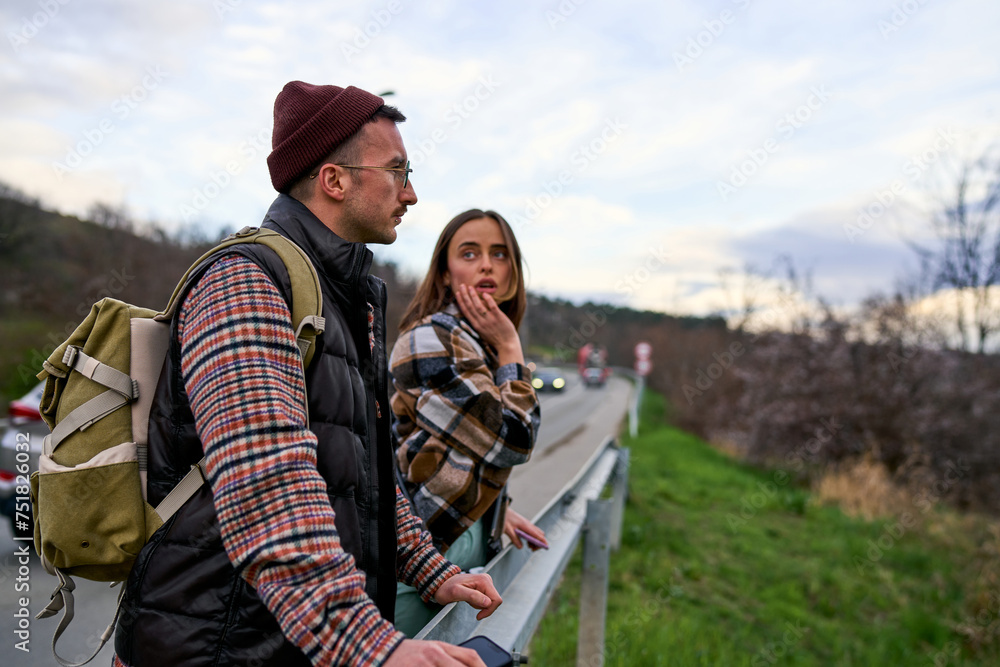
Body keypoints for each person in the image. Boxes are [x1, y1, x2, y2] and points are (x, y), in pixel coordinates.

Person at [113, 82, 501, 667]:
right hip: (210, 650)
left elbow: (365, 473)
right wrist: (370, 648)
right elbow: (265, 486)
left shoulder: (348, 298)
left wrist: (429, 570)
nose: (412, 193)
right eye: (398, 171)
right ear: (335, 180)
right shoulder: (245, 283)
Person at [389, 209, 549, 636]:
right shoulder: (430, 340)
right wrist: (512, 349)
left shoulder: (480, 345)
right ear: (444, 273)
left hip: (466, 543)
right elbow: (511, 440)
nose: (486, 264)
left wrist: (495, 508)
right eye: (469, 252)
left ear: (513, 271)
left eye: (499, 254)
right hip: (419, 557)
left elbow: (461, 452)